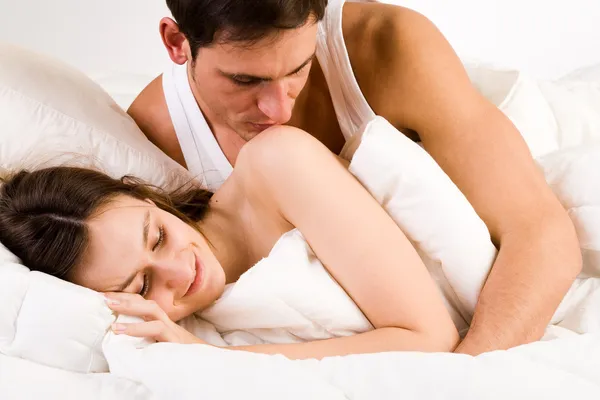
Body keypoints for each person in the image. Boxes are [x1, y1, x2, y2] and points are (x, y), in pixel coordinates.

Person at [127, 0, 581, 355]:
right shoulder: (158, 134)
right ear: (176, 42)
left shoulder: (390, 48)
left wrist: (469, 374)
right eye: (245, 81)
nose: (279, 110)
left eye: (297, 69)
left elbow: (541, 232)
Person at [0, 127, 460, 359]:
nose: (181, 274)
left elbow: (432, 336)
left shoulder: (278, 163)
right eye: (142, 287)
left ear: (143, 196)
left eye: (158, 237)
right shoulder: (188, 328)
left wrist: (218, 359)